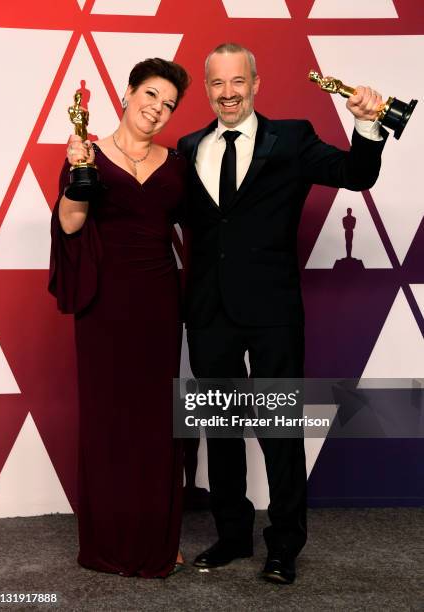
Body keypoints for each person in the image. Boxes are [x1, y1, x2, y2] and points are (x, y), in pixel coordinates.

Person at [177, 43, 387, 584]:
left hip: (272, 310)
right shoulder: (186, 146)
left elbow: (356, 174)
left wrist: (365, 124)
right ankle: (230, 535)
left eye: (237, 82)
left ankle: (284, 545)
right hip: (208, 311)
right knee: (220, 430)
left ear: (256, 82)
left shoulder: (291, 138)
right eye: (217, 83)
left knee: (278, 429)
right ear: (206, 89)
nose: (227, 93)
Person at [49, 58, 189, 578]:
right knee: (109, 419)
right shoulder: (88, 152)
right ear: (128, 93)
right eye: (150, 95)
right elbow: (69, 225)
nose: (157, 109)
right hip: (104, 301)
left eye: (169, 104)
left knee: (156, 421)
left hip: (158, 301)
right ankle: (106, 540)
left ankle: (159, 537)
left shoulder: (176, 164)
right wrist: (74, 175)